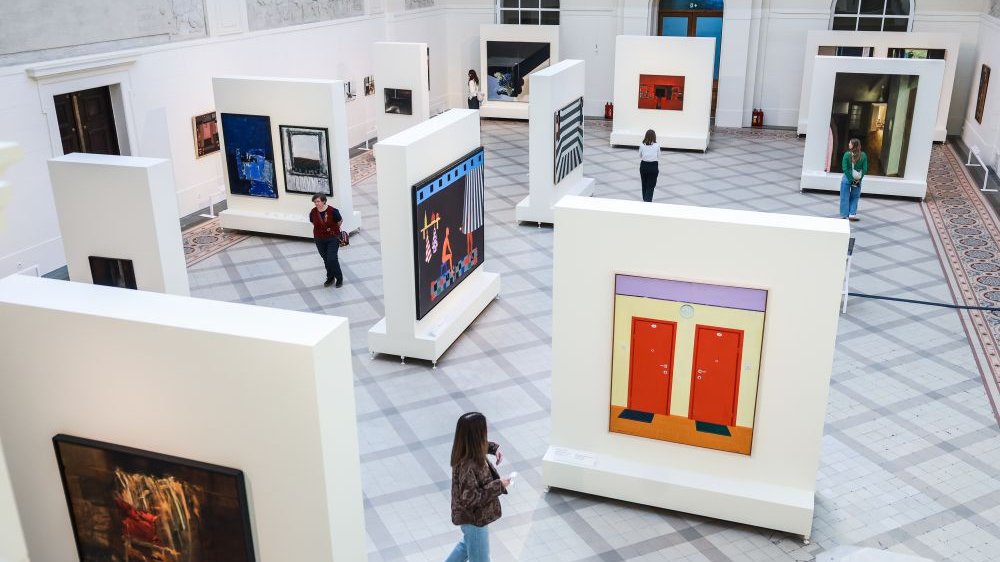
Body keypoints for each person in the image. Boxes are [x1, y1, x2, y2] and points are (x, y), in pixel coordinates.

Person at [445, 412, 510, 562]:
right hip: (474, 519)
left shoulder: (465, 450)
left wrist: (494, 449)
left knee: (466, 547)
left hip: (471, 521)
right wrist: (499, 485)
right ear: (477, 435)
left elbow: (480, 445)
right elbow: (471, 499)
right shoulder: (467, 466)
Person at [309, 193, 343, 287]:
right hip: (319, 239)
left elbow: (339, 221)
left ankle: (339, 278)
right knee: (325, 259)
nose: (316, 203)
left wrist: (332, 230)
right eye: (315, 202)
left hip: (332, 238)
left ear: (323, 201)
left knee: (332, 258)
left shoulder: (333, 211)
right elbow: (313, 221)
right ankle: (330, 277)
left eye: (318, 201)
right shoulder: (313, 211)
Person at [840, 138, 867, 221]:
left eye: (850, 143)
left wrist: (850, 179)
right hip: (857, 179)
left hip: (847, 178)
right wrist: (858, 179)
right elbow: (865, 169)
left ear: (853, 145)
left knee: (844, 196)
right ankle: (852, 214)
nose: (849, 144)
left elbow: (844, 168)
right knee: (855, 197)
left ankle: (844, 215)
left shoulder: (847, 155)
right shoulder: (863, 155)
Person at [639, 129, 660, 202]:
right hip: (653, 166)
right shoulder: (657, 145)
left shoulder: (642, 145)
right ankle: (647, 202)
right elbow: (658, 156)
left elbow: (640, 155)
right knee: (651, 186)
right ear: (654, 137)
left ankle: (645, 200)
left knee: (644, 185)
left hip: (644, 165)